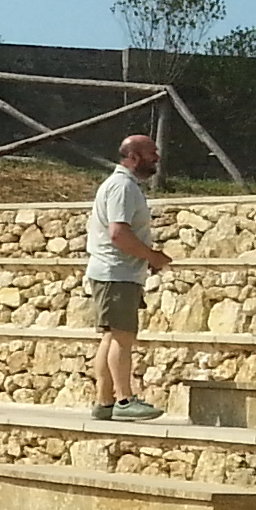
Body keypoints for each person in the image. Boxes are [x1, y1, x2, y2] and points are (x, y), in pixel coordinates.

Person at [85, 131, 172, 420]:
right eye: (151, 153)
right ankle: (124, 400)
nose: (156, 158)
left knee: (111, 336)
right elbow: (118, 233)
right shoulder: (122, 187)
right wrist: (151, 256)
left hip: (115, 272)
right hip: (117, 272)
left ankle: (104, 402)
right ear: (133, 157)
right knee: (123, 337)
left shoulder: (124, 185)